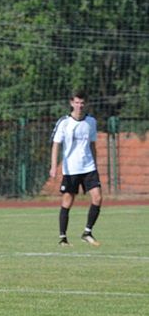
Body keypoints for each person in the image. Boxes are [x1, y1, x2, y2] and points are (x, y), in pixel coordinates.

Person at [49, 90, 102, 246]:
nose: (79, 106)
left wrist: (95, 164)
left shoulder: (91, 122)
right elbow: (56, 144)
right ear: (72, 103)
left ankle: (87, 232)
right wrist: (54, 166)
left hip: (89, 167)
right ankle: (63, 238)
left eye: (82, 103)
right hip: (71, 168)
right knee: (67, 201)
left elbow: (92, 144)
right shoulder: (64, 122)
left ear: (85, 104)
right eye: (77, 102)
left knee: (98, 198)